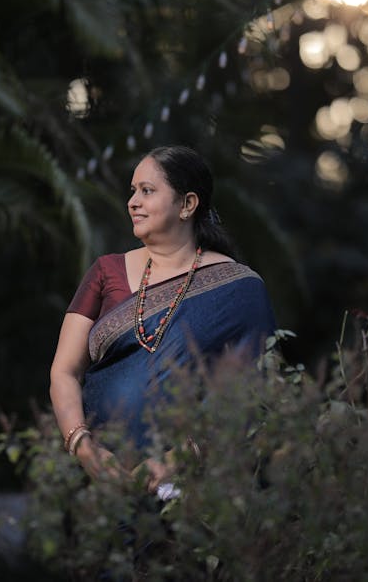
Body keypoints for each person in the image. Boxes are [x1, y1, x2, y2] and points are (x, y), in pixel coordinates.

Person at [48, 145, 276, 492]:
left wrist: (177, 460)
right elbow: (64, 371)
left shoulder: (239, 288)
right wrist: (84, 447)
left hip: (194, 487)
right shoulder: (105, 272)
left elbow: (251, 390)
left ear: (187, 204)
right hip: (98, 481)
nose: (133, 202)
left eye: (147, 191)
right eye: (133, 191)